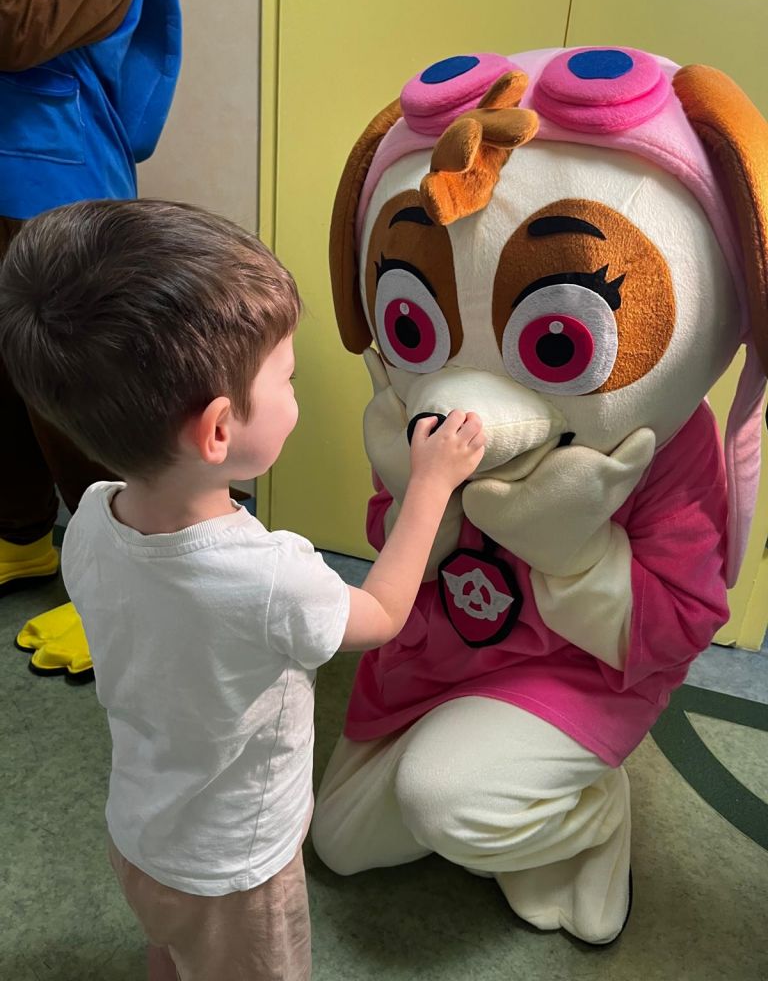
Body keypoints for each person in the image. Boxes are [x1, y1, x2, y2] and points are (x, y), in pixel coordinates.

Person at [0, 198, 485, 981]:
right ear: (220, 430)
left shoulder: (89, 517)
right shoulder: (271, 579)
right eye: (288, 378)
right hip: (237, 866)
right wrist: (431, 483)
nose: (297, 394)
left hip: (142, 833)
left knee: (171, 948)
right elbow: (382, 613)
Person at [0, 0, 185, 678]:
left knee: (82, 377)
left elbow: (25, 21)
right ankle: (21, 534)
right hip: (24, 139)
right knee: (9, 368)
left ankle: (132, 589)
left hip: (56, 153)